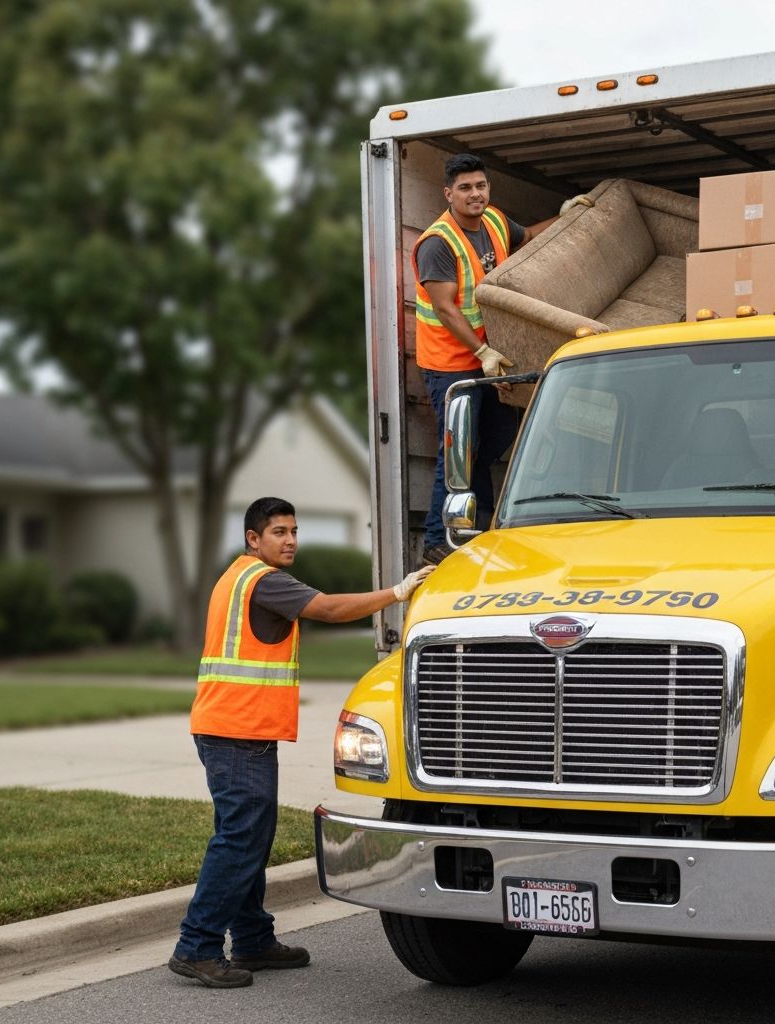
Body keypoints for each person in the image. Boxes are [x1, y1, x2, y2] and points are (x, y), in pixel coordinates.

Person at [168, 496, 434, 989]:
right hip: (238, 732)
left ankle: (252, 940)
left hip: (231, 728)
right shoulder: (266, 581)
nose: (290, 540)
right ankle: (196, 946)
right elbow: (329, 608)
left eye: (294, 531)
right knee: (241, 838)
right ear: (253, 539)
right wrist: (398, 592)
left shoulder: (236, 576)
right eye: (279, 532)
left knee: (247, 836)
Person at [413, 153, 594, 565]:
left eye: (480, 186)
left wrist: (564, 215)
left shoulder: (493, 219)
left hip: (488, 354)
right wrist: (482, 352)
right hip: (450, 362)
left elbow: (526, 236)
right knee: (458, 450)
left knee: (495, 437)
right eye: (465, 188)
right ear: (449, 194)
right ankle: (437, 541)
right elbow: (445, 308)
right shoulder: (438, 243)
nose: (474, 194)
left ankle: (480, 526)